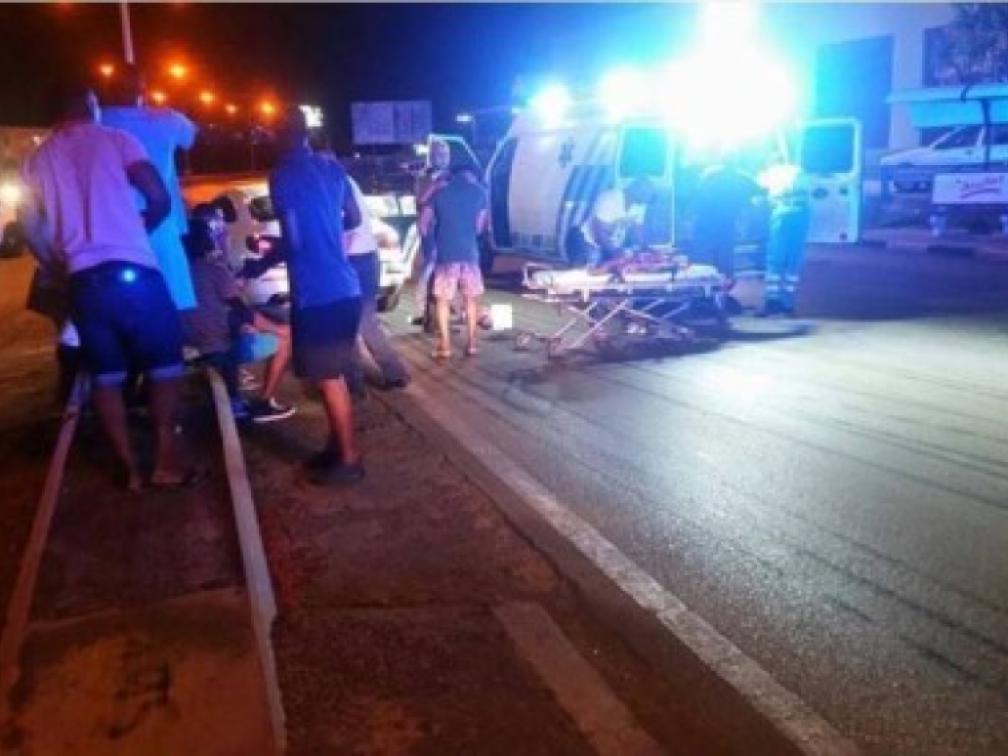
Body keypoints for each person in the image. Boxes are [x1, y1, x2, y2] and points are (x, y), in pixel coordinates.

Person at [20, 79, 189, 491]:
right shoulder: (116, 139)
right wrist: (138, 231)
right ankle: (165, 461)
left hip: (83, 281)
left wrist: (58, 263)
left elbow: (30, 226)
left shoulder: (36, 160)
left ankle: (129, 469)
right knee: (165, 366)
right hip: (134, 272)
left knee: (106, 376)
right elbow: (158, 196)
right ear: (90, 106)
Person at [269, 108, 364, 484]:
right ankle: (336, 448)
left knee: (327, 378)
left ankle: (349, 459)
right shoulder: (331, 167)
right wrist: (325, 228)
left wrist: (266, 259)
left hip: (316, 291)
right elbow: (354, 218)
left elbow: (293, 238)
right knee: (332, 374)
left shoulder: (282, 174)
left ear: (278, 135)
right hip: (346, 287)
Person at [182, 205, 296, 422]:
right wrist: (277, 329)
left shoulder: (178, 271)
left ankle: (235, 394)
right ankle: (264, 403)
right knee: (285, 338)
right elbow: (240, 309)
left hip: (188, 342)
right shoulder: (212, 268)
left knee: (241, 327)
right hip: (214, 346)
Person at [101, 64, 198, 312]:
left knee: (117, 310)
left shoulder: (99, 121)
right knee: (170, 305)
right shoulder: (168, 119)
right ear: (142, 89)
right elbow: (191, 138)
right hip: (161, 226)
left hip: (111, 229)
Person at [344, 175, 410, 393]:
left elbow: (350, 220)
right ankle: (393, 373)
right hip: (365, 256)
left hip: (352, 258)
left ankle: (353, 382)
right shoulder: (344, 178)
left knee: (351, 322)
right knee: (364, 320)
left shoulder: (331, 180)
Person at [420, 156, 489, 359]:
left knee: (443, 300)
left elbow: (423, 224)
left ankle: (445, 346)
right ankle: (472, 344)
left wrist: (434, 238)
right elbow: (479, 227)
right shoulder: (479, 192)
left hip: (446, 255)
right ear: (472, 175)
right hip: (469, 254)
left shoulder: (440, 192)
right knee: (471, 300)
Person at [690, 160, 762, 282]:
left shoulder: (711, 174)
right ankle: (722, 282)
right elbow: (758, 192)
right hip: (724, 223)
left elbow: (698, 195)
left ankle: (707, 284)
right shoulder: (742, 178)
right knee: (723, 258)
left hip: (707, 222)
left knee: (705, 260)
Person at [569, 177, 656, 267]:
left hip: (610, 246)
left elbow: (638, 229)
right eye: (647, 194)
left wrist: (646, 249)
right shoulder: (609, 198)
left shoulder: (640, 204)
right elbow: (599, 233)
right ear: (636, 188)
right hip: (588, 244)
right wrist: (615, 252)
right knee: (591, 269)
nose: (649, 198)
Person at [412, 138, 450, 327]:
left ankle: (445, 307)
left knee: (447, 266)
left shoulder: (451, 176)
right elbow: (420, 202)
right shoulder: (423, 177)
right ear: (431, 156)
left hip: (448, 226)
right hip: (430, 226)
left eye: (446, 154)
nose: (443, 158)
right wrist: (435, 186)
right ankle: (420, 309)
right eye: (439, 154)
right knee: (431, 264)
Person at [760, 180, 811, 316]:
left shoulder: (777, 178)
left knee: (776, 264)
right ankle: (786, 304)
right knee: (791, 267)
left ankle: (773, 302)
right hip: (797, 218)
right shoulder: (797, 178)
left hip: (784, 219)